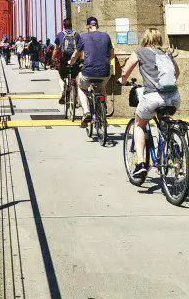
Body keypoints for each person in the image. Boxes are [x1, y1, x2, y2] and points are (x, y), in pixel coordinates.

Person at [119, 27, 180, 182]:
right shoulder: (166, 53)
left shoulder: (140, 52)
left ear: (145, 39)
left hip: (152, 96)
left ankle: (140, 164)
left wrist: (122, 81)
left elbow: (125, 72)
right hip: (173, 97)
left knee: (139, 124)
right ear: (159, 39)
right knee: (164, 121)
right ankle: (174, 152)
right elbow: (177, 73)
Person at [69, 16, 116, 128]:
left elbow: (76, 54)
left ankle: (86, 112)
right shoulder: (106, 36)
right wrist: (105, 62)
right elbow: (112, 54)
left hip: (88, 71)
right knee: (101, 86)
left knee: (81, 86)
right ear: (97, 25)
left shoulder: (83, 37)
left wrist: (71, 61)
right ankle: (104, 111)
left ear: (87, 26)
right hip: (104, 72)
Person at [52, 19, 79, 104]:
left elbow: (56, 49)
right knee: (75, 78)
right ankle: (76, 98)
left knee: (61, 77)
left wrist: (53, 58)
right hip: (74, 61)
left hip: (64, 60)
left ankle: (62, 91)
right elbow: (80, 49)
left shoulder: (60, 34)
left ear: (64, 26)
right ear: (71, 25)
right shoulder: (77, 35)